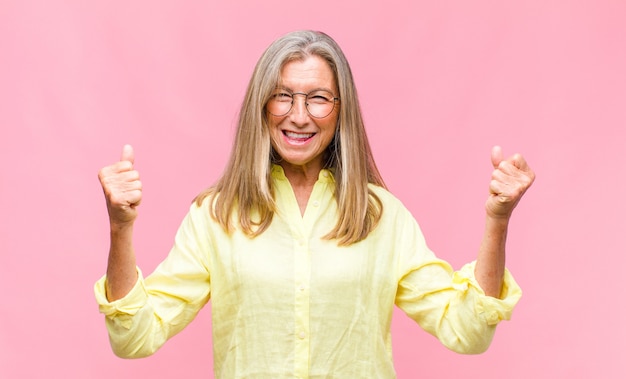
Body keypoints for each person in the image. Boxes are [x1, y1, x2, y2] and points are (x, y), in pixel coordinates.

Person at [95, 30, 535, 378]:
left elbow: (468, 331)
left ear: (341, 110)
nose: (299, 115)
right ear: (261, 106)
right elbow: (134, 338)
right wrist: (120, 227)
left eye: (319, 98)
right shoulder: (216, 216)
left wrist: (497, 220)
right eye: (283, 95)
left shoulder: (381, 217)